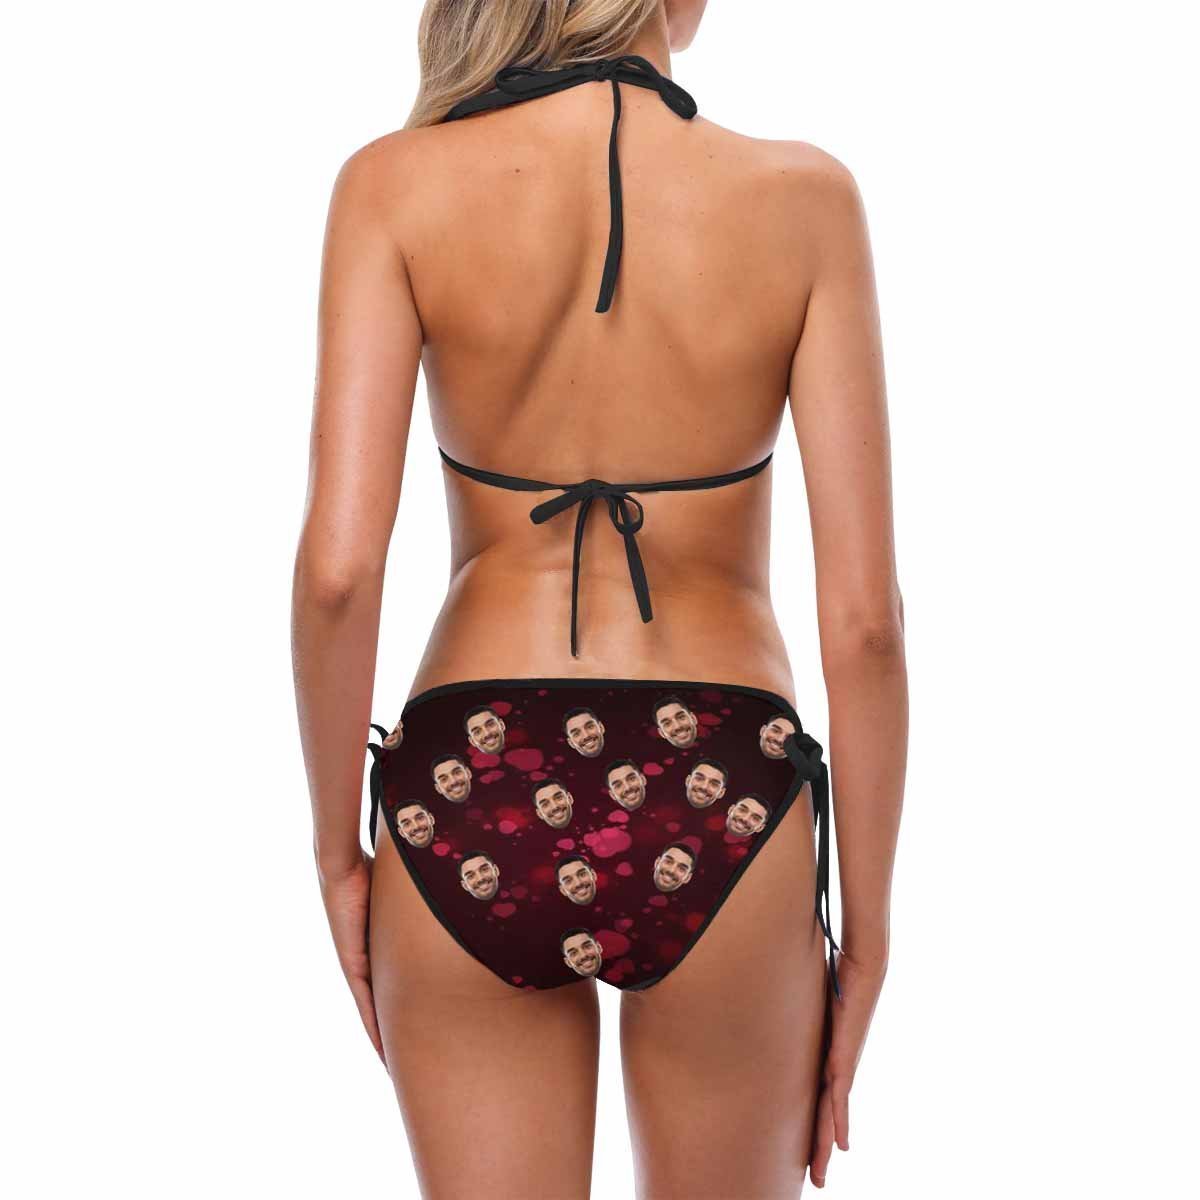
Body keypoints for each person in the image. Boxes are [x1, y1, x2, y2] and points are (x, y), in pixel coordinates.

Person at [292, 0, 907, 1194]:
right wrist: (868, 938)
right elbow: (867, 625)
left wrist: (336, 855)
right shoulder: (805, 201)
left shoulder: (391, 186)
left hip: (470, 781)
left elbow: (337, 573)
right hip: (721, 778)